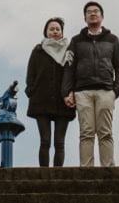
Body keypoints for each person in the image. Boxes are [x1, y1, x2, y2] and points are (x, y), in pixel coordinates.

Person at [61, 1, 119, 167]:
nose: (93, 14)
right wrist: (66, 91)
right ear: (85, 18)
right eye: (89, 12)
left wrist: (115, 90)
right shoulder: (76, 41)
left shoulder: (113, 40)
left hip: (106, 91)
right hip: (82, 92)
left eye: (96, 11)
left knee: (105, 132)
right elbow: (69, 67)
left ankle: (108, 169)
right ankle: (86, 170)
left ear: (102, 16)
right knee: (86, 132)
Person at [25, 16, 76, 167]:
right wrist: (31, 90)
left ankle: (58, 173)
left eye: (57, 29)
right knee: (45, 141)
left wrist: (71, 92)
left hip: (63, 101)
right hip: (41, 100)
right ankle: (44, 173)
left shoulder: (70, 51)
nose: (55, 31)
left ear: (62, 32)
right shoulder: (38, 50)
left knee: (59, 142)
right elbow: (30, 73)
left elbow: (73, 73)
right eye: (51, 29)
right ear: (46, 32)